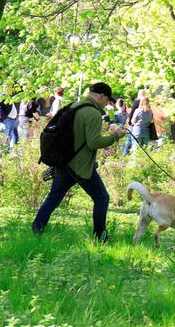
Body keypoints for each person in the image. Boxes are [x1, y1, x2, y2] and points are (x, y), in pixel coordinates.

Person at [32, 82, 127, 241]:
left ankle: (36, 229)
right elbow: (93, 143)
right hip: (80, 166)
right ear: (102, 96)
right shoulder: (93, 113)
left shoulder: (74, 106)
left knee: (53, 197)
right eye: (107, 100)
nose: (106, 104)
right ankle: (100, 237)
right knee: (102, 198)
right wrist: (115, 136)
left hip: (64, 161)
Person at [122, 89, 146, 155]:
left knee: (129, 139)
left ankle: (125, 154)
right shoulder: (147, 103)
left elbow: (132, 112)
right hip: (144, 126)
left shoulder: (137, 101)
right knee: (142, 144)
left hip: (134, 123)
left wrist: (129, 122)